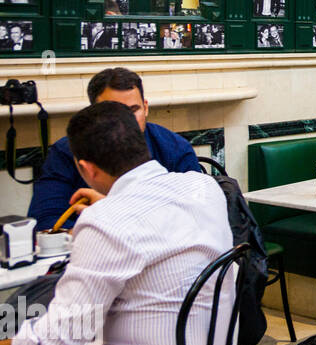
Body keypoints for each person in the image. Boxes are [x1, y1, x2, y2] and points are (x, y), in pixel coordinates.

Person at [0, 101, 235, 345]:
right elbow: (152, 222)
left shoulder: (104, 222)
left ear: (86, 168)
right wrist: (110, 204)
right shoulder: (202, 188)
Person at [27, 67, 203, 231]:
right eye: (114, 113)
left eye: (133, 110)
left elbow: (195, 216)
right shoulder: (67, 152)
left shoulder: (175, 148)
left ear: (145, 108)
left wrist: (111, 214)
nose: (126, 121)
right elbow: (45, 221)